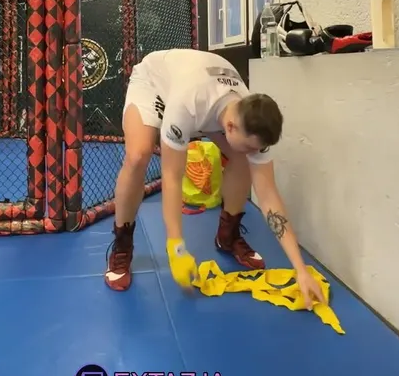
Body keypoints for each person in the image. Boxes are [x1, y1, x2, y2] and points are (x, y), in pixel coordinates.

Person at [104, 48, 327, 307]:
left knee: (241, 158)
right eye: (250, 146)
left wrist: (300, 268)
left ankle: (227, 236)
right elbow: (172, 176)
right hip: (154, 82)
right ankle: (122, 244)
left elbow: (268, 194)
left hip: (204, 92)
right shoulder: (187, 103)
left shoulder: (250, 117)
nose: (254, 152)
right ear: (230, 127)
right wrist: (176, 247)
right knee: (138, 155)